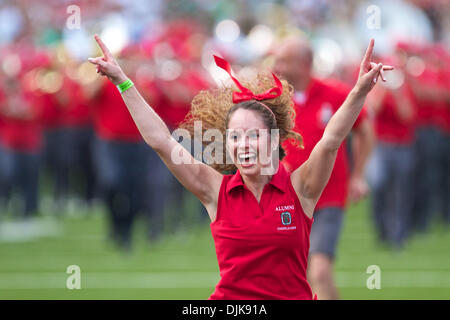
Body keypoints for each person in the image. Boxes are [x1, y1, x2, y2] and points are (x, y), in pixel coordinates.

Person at [88, 35, 391, 299]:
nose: (243, 144)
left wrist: (359, 90)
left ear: (273, 140)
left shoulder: (300, 188)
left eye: (252, 135)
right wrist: (122, 81)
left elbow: (331, 139)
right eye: (235, 136)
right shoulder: (215, 190)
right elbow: (161, 141)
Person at [272, 37, 375, 299]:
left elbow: (365, 131)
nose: (277, 65)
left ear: (304, 64)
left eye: (284, 60)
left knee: (319, 271)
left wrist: (359, 175)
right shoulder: (274, 99)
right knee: (292, 273)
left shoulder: (336, 93)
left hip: (328, 195)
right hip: (287, 197)